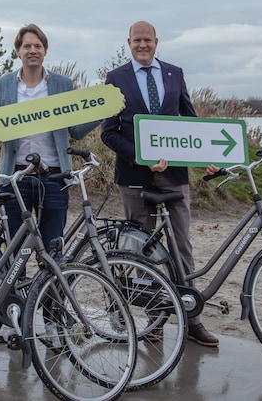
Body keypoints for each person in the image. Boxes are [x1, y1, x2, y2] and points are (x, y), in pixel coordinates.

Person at [100, 20, 221, 348]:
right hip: (134, 178)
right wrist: (142, 157)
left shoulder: (174, 74)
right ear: (128, 42)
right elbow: (108, 133)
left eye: (148, 40)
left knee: (182, 248)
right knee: (143, 251)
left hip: (174, 177)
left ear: (156, 41)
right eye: (137, 40)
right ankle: (154, 321)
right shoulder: (116, 78)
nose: (143, 45)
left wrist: (207, 156)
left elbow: (190, 122)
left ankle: (192, 319)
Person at [0, 24, 100, 256]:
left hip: (54, 178)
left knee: (52, 251)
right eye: (27, 46)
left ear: (45, 50)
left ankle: (48, 282)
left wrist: (103, 113)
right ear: (18, 51)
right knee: (14, 253)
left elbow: (75, 131)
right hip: (15, 177)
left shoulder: (62, 84)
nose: (33, 50)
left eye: (38, 46)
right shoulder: (2, 85)